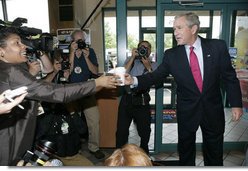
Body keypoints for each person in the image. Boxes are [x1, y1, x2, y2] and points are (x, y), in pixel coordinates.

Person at [124, 12, 243, 166]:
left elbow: (230, 77)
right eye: (174, 29)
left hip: (212, 110)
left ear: (193, 29)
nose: (175, 33)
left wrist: (236, 104)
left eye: (179, 28)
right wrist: (134, 80)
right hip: (187, 111)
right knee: (186, 152)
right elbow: (156, 76)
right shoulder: (171, 55)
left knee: (214, 151)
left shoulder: (217, 47)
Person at [0, 27, 118, 165]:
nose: (24, 46)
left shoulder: (13, 67)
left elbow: (46, 75)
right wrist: (96, 83)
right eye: (17, 43)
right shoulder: (11, 71)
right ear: (1, 51)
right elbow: (55, 92)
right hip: (9, 142)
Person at [66, 29, 105, 159]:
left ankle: (94, 147)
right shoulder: (67, 52)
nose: (80, 43)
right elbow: (67, 73)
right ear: (72, 41)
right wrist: (72, 52)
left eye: (82, 40)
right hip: (71, 90)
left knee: (94, 119)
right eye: (77, 40)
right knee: (72, 120)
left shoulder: (90, 52)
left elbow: (95, 72)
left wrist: (87, 57)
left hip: (87, 89)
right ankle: (74, 147)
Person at [116, 40, 159, 155]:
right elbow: (121, 75)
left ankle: (144, 153)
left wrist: (148, 67)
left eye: (147, 47)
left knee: (145, 131)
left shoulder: (154, 65)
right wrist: (131, 58)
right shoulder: (131, 61)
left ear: (150, 51)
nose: (144, 49)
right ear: (137, 49)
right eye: (141, 47)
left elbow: (156, 82)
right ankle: (120, 155)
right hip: (127, 99)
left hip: (142, 100)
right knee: (121, 131)